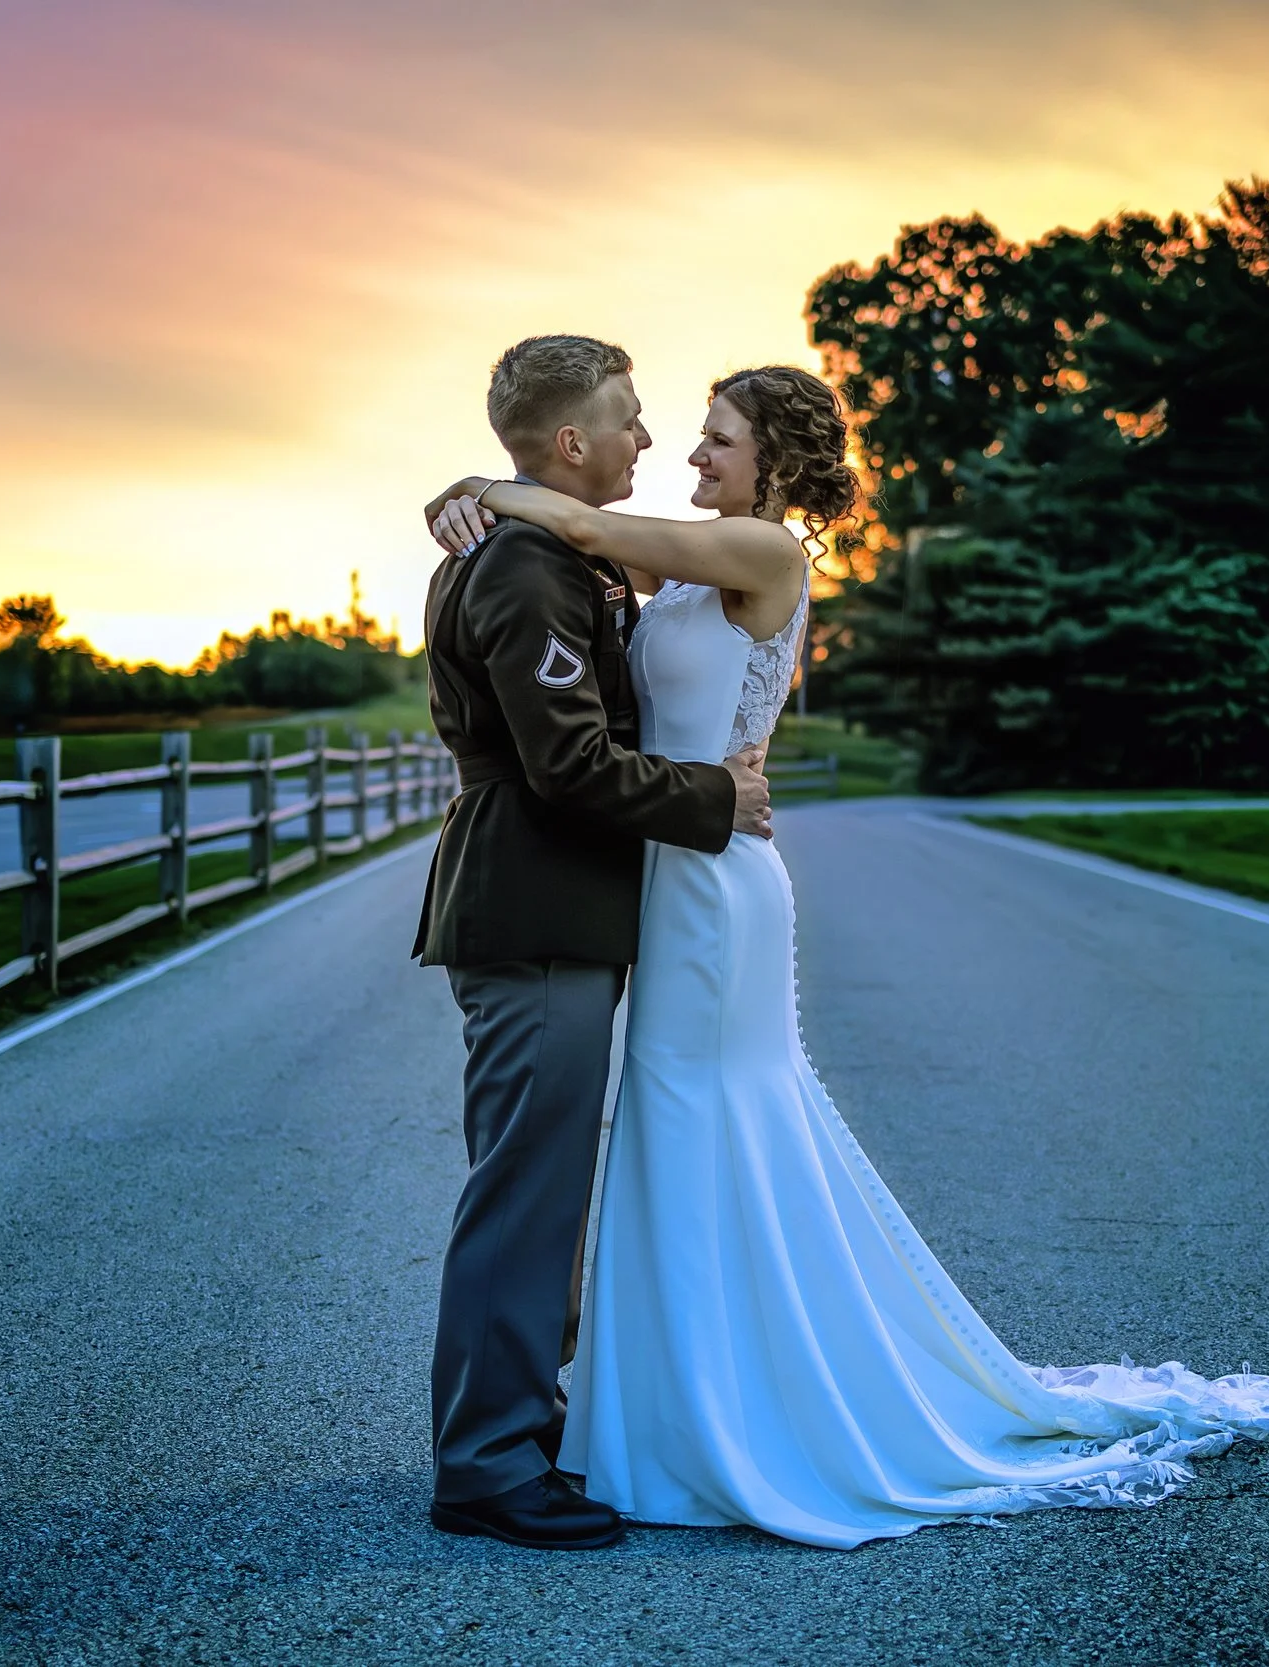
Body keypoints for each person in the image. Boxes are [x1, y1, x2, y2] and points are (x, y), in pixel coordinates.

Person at [422, 360, 1269, 1551]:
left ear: (774, 462)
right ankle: (668, 1407)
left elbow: (582, 518)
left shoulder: (764, 555)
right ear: (566, 437)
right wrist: (478, 492)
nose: (683, 451)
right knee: (672, 1136)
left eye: (714, 440)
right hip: (667, 866)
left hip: (714, 879)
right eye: (679, 433)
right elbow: (581, 541)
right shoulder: (658, 562)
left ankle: (719, 1408)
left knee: (711, 1119)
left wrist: (485, 491)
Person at [413, 334, 774, 1551]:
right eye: (626, 419)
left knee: (538, 1183)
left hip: (558, 901)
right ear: (570, 441)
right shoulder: (525, 565)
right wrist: (715, 798)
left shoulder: (544, 547)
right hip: (536, 902)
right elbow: (564, 763)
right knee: (526, 1191)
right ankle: (488, 1464)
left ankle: (522, 1431)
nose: (644, 441)